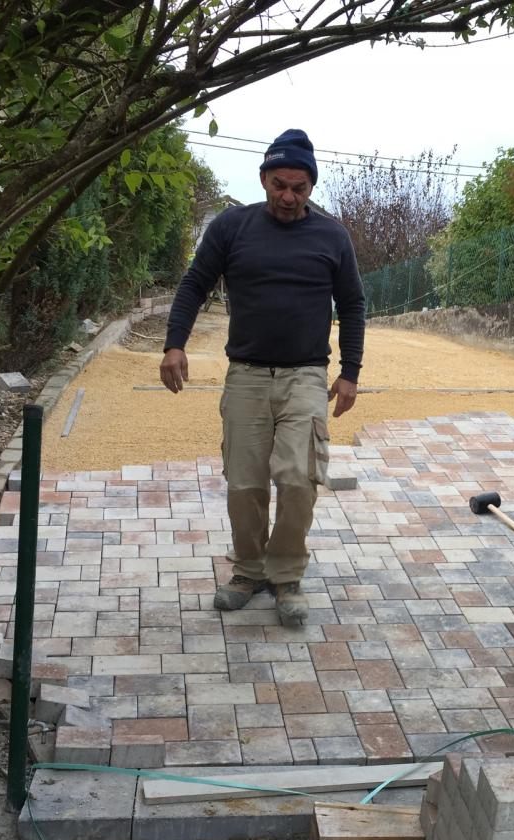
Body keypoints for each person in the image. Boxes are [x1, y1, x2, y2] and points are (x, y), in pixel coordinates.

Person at [161, 129, 365, 627]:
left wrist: (350, 372)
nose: (289, 197)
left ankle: (287, 575)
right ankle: (249, 571)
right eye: (280, 185)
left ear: (312, 186)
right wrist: (174, 344)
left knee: (299, 477)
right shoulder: (233, 227)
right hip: (247, 376)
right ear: (263, 179)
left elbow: (353, 304)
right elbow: (194, 284)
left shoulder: (332, 236)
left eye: (299, 187)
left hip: (306, 376)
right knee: (245, 482)